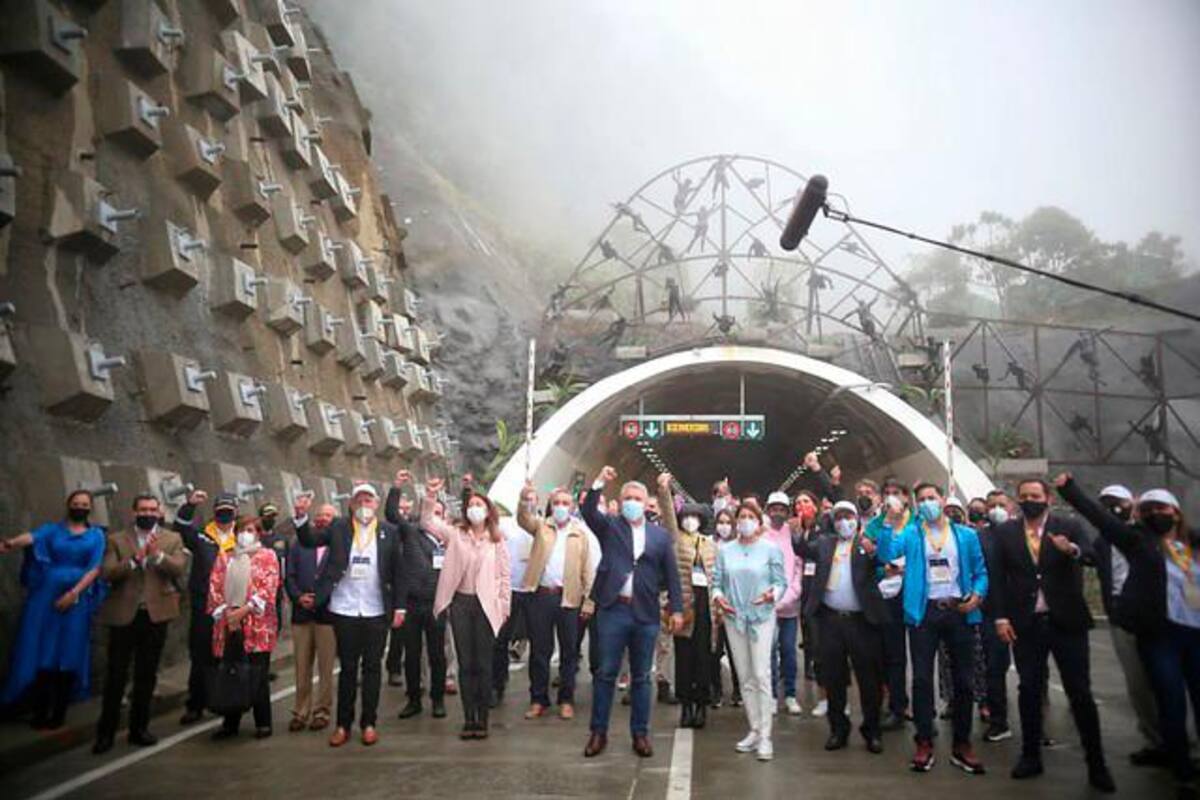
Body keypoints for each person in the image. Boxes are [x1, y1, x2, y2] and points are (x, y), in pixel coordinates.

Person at [1056, 474, 1198, 792]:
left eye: (1159, 508)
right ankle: (1177, 762)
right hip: (1151, 630)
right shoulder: (1133, 541)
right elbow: (1096, 520)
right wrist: (1069, 489)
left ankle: (1189, 752)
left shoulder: (1192, 542)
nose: (1153, 514)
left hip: (1192, 631)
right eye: (1146, 510)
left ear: (1175, 511)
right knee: (1161, 695)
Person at [990, 478, 1114, 791]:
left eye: (1035, 495)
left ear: (1047, 498)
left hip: (1066, 621)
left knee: (1080, 693)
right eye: (1024, 496)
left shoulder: (1068, 525)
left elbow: (1092, 556)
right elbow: (998, 577)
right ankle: (1030, 755)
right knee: (1029, 689)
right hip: (1025, 623)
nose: (1029, 500)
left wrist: (1070, 549)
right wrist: (1001, 617)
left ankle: (1096, 763)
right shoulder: (1006, 532)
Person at [877, 481, 988, 775]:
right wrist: (889, 521)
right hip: (924, 614)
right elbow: (887, 554)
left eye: (931, 497)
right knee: (923, 680)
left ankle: (962, 744)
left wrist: (977, 594)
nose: (927, 503)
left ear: (942, 499)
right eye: (922, 499)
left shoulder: (965, 536)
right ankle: (924, 740)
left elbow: (980, 572)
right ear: (916, 505)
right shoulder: (912, 534)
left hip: (958, 611)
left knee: (964, 681)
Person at [582, 465, 683, 759]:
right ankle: (597, 732)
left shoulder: (659, 536)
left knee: (642, 677)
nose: (632, 503)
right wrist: (600, 481)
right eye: (628, 497)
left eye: (638, 498)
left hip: (646, 613)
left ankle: (640, 733)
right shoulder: (611, 526)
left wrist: (676, 608)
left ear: (645, 502)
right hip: (614, 610)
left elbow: (672, 574)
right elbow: (589, 510)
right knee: (605, 674)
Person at [294, 484, 406, 747]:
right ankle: (343, 725)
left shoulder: (389, 533)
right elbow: (309, 540)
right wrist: (300, 516)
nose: (364, 503)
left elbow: (399, 572)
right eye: (359, 499)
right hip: (344, 608)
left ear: (376, 504)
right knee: (347, 669)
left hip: (376, 609)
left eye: (369, 499)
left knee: (372, 668)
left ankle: (369, 723)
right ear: (352, 504)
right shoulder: (339, 527)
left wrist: (400, 607)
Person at [0, 490, 106, 729]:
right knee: (41, 648)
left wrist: (74, 593)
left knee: (69, 651)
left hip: (77, 599)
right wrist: (11, 543)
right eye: (76, 503)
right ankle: (39, 710)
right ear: (68, 505)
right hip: (45, 597)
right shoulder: (53, 529)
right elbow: (31, 537)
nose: (80, 507)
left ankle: (59, 712)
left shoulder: (96, 535)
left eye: (84, 504)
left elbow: (95, 568)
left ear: (90, 508)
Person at [94, 494, 187, 753]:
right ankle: (106, 733)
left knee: (146, 675)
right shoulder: (116, 539)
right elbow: (107, 573)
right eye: (143, 509)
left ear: (159, 513)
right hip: (124, 614)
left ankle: (139, 729)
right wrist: (136, 559)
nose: (148, 513)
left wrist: (157, 556)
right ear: (134, 512)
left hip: (156, 615)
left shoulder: (172, 539)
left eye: (153, 510)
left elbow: (179, 568)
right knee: (116, 675)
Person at [422, 477, 511, 739]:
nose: (474, 508)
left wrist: (504, 606)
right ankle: (468, 717)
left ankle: (482, 718)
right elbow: (428, 522)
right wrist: (430, 496)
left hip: (485, 605)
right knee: (466, 663)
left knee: (483, 664)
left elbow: (504, 576)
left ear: (487, 510)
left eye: (479, 504)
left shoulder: (497, 539)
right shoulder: (455, 533)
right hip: (461, 603)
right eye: (471, 504)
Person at [1083, 483, 1165, 766]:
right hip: (1121, 615)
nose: (1111, 507)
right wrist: (1072, 551)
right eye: (1105, 502)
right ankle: (1155, 740)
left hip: (1156, 617)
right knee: (1137, 684)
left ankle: (1185, 745)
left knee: (1167, 681)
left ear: (1132, 503)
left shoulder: (1148, 534)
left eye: (1116, 501)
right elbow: (1091, 559)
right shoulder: (1105, 540)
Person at [802, 500, 887, 753]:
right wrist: (801, 529)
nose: (843, 522)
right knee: (834, 678)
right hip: (830, 621)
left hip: (862, 621)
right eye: (838, 517)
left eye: (848, 516)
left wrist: (873, 551)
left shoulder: (866, 543)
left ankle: (872, 730)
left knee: (869, 680)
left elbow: (884, 560)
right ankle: (838, 729)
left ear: (857, 519)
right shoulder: (826, 544)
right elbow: (803, 549)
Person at [516, 480, 596, 721]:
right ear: (551, 505)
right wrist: (525, 498)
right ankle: (538, 699)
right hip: (541, 596)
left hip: (569, 599)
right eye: (557, 503)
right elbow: (523, 518)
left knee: (569, 652)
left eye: (565, 503)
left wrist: (589, 601)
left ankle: (566, 699)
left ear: (572, 507)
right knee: (540, 650)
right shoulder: (541, 527)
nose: (561, 507)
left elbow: (587, 570)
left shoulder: (580, 534)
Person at [713, 501, 786, 762]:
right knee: (744, 676)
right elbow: (717, 581)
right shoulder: (726, 551)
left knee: (761, 673)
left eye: (749, 517)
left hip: (761, 617)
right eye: (740, 517)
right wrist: (719, 596)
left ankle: (766, 734)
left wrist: (772, 595)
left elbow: (781, 582)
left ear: (758, 521)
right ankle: (753, 728)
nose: (744, 521)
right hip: (735, 618)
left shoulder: (770, 550)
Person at [207, 516, 280, 739]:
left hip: (257, 625)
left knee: (258, 674)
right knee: (231, 672)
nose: (245, 534)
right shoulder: (225, 557)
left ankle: (263, 722)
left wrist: (245, 610)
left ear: (258, 533)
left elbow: (268, 588)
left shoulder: (267, 557)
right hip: (228, 625)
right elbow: (214, 587)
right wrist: (227, 613)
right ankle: (230, 722)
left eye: (250, 530)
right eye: (241, 530)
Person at [387, 471, 449, 720]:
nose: (435, 517)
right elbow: (391, 515)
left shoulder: (449, 541)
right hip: (412, 603)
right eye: (432, 512)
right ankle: (413, 699)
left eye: (439, 514)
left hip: (437, 604)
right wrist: (396, 488)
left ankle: (438, 699)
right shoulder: (410, 531)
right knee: (412, 655)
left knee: (437, 654)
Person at [657, 473, 717, 728]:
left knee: (703, 657)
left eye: (695, 517)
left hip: (706, 606)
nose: (690, 521)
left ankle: (701, 704)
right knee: (684, 657)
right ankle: (686, 705)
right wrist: (664, 490)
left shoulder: (709, 544)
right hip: (684, 603)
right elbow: (669, 517)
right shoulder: (676, 539)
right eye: (687, 517)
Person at [174, 489, 238, 725]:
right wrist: (189, 506)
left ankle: (228, 704)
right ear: (214, 511)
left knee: (231, 656)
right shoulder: (201, 536)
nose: (225, 514)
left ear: (236, 512)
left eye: (229, 511)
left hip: (234, 606)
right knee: (201, 656)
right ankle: (196, 704)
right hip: (205, 606)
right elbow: (180, 527)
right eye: (221, 510)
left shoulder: (243, 538)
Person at [284, 502, 337, 732]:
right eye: (320, 515)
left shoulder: (338, 545)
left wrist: (322, 598)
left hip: (327, 614)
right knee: (302, 665)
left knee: (326, 667)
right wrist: (298, 597)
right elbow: (289, 576)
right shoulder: (299, 544)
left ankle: (322, 711)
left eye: (328, 515)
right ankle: (300, 711)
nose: (323, 519)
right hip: (302, 614)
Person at [864, 478, 910, 730]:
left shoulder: (917, 524)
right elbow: (875, 559)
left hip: (912, 593)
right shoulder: (876, 524)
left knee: (920, 655)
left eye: (897, 493)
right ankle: (895, 706)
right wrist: (886, 570)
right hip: (886, 597)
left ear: (905, 498)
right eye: (888, 493)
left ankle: (918, 707)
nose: (892, 498)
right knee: (890, 654)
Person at [762, 490, 803, 716]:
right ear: (768, 511)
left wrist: (788, 597)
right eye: (774, 509)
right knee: (768, 652)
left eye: (782, 509)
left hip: (789, 606)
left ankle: (790, 694)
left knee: (788, 649)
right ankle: (771, 696)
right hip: (766, 605)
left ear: (787, 512)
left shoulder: (793, 535)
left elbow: (798, 569)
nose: (777, 513)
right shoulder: (762, 535)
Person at [711, 507, 743, 708]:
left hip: (734, 607)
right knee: (714, 651)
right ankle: (716, 691)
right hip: (714, 606)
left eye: (727, 522)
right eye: (720, 522)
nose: (724, 526)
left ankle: (739, 690)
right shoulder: (709, 545)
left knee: (735, 652)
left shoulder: (739, 547)